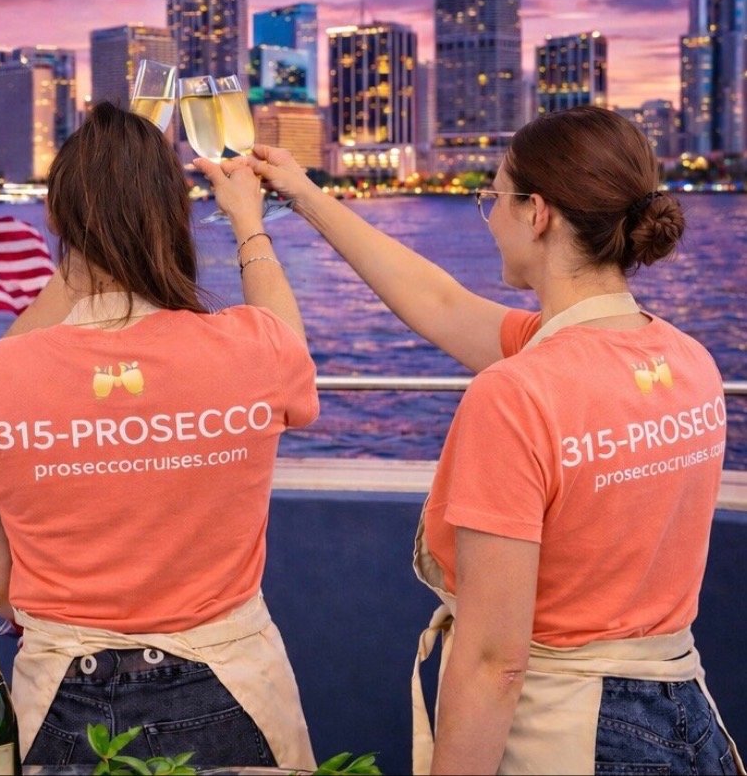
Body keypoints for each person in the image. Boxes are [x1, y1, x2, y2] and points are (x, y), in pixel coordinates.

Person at [232, 105, 742, 774]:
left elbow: (494, 660)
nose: (490, 216)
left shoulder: (517, 394)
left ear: (538, 213)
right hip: (687, 719)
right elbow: (441, 304)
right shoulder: (689, 360)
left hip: (571, 732)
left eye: (493, 198)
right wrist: (305, 195)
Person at [0, 103, 320, 771]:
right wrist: (248, 221)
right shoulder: (256, 347)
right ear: (175, 217)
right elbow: (289, 346)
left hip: (59, 702)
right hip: (234, 688)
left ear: (55, 221)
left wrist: (87, 236)